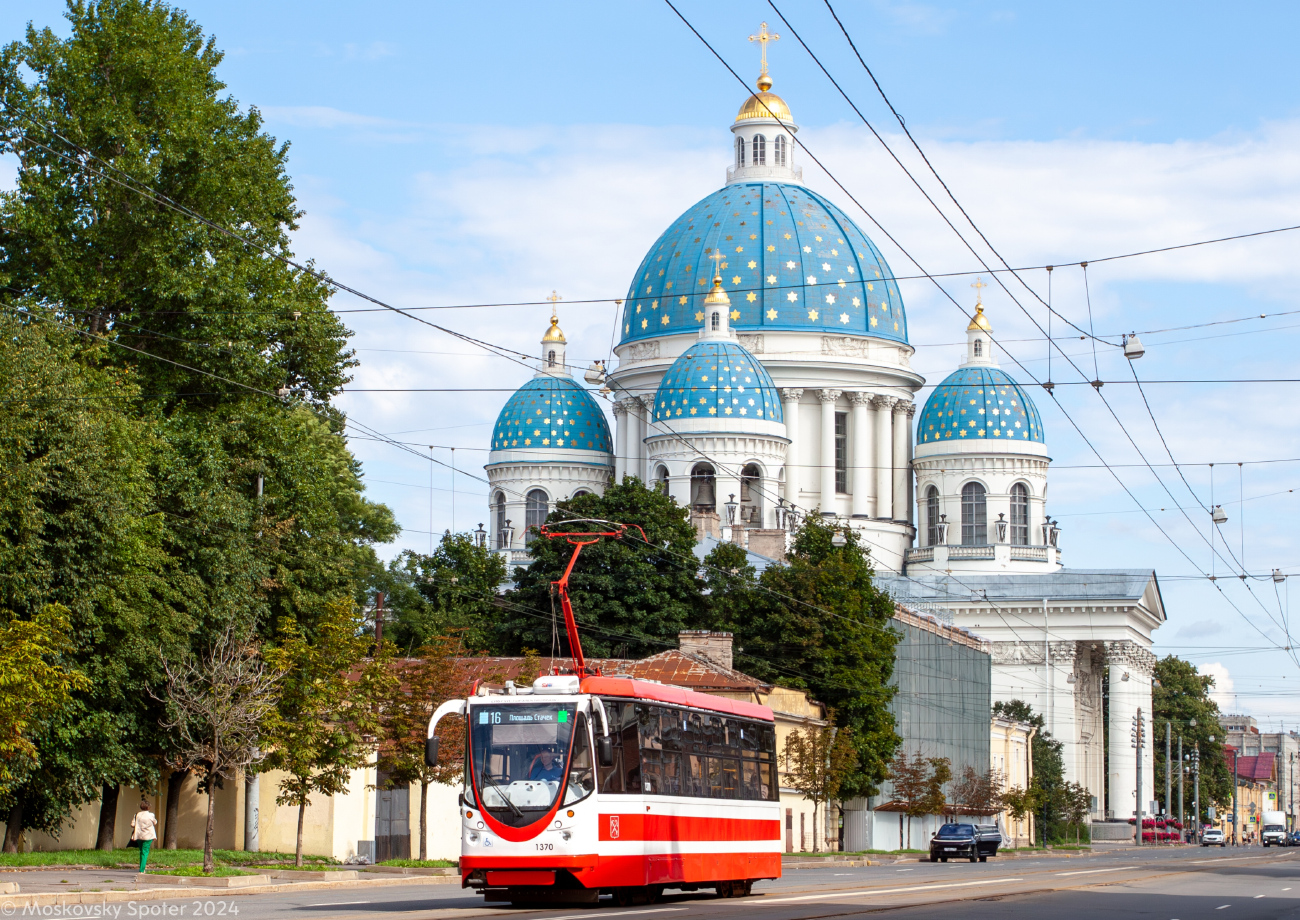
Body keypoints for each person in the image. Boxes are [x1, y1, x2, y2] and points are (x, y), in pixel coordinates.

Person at [130, 799, 159, 872]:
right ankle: (142, 869)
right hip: (148, 836)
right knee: (145, 852)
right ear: (149, 807)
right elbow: (155, 822)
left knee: (141, 851)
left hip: (139, 836)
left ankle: (142, 867)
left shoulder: (137, 815)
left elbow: (132, 825)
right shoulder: (151, 815)